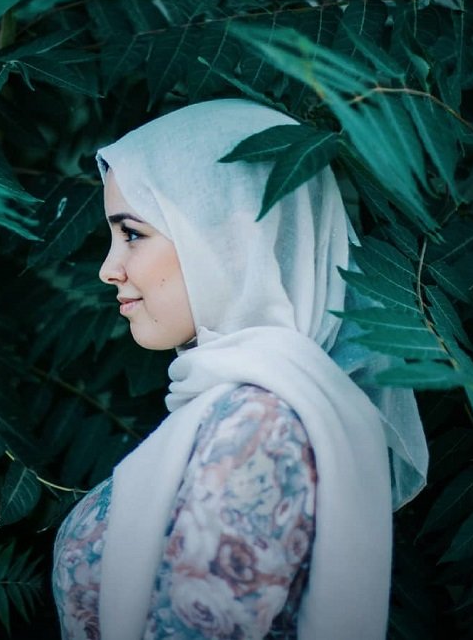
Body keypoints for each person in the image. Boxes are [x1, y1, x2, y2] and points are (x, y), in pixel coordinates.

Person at [52, 99, 428, 639]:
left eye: (132, 233)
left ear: (229, 242)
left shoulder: (260, 425)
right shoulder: (245, 406)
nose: (109, 269)